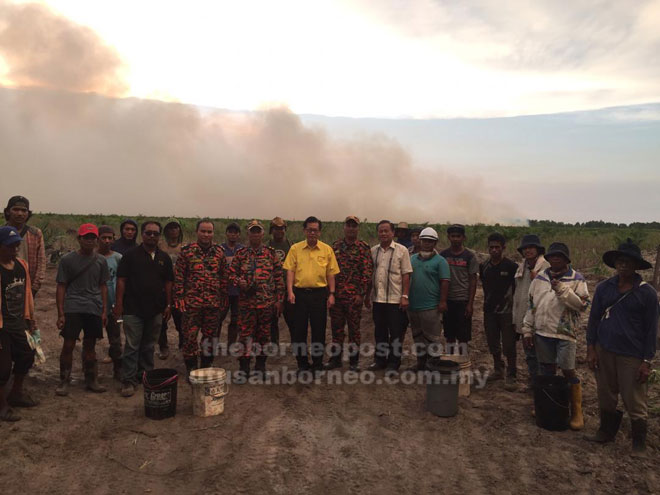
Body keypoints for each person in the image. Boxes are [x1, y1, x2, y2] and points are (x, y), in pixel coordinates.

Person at [585, 239, 658, 455]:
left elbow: (651, 330)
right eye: (620, 261)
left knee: (634, 398)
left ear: (637, 266)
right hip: (604, 349)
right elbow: (593, 320)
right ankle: (605, 432)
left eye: (628, 262)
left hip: (632, 355)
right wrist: (591, 349)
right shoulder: (604, 288)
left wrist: (647, 361)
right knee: (605, 393)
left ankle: (638, 444)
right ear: (615, 264)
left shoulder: (647, 294)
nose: (623, 265)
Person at [522, 242, 590, 430]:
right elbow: (531, 306)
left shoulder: (577, 279)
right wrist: (527, 329)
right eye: (552, 256)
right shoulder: (540, 279)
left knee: (568, 370)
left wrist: (562, 290)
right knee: (547, 370)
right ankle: (546, 403)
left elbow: (583, 306)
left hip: (565, 334)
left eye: (559, 256)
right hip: (543, 332)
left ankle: (576, 410)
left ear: (566, 259)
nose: (555, 259)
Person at [114, 221, 173, 397]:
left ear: (159, 236)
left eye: (155, 234)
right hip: (133, 308)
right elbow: (121, 280)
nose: (152, 236)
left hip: (155, 309)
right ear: (142, 235)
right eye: (149, 233)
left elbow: (169, 282)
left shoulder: (164, 257)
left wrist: (168, 304)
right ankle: (128, 380)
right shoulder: (130, 255)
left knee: (149, 345)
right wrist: (119, 304)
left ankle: (146, 375)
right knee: (132, 345)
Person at [55, 224, 109, 396]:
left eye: (93, 237)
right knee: (69, 344)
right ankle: (64, 380)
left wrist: (104, 310)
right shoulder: (67, 260)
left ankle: (91, 379)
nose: (90, 240)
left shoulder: (101, 260)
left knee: (90, 345)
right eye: (86, 237)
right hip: (73, 306)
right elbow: (61, 286)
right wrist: (61, 312)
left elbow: (103, 286)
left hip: (93, 307)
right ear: (79, 239)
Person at [283, 216, 339, 374]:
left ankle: (317, 363)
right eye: (309, 230)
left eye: (315, 230)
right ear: (304, 231)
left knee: (318, 330)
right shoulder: (295, 249)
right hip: (299, 295)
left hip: (319, 295)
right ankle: (302, 363)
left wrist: (332, 294)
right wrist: (290, 292)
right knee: (298, 330)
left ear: (320, 232)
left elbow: (331, 274)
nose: (312, 233)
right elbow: (290, 271)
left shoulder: (327, 250)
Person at [229, 220, 284, 381]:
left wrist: (279, 300)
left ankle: (260, 367)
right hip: (246, 304)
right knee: (245, 336)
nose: (255, 234)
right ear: (248, 233)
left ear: (262, 234)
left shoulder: (270, 253)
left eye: (258, 231)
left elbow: (279, 278)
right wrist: (239, 281)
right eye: (252, 231)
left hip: (266, 303)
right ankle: (244, 368)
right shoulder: (241, 254)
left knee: (264, 336)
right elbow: (231, 274)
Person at [174, 219, 228, 378]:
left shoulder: (219, 252)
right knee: (189, 337)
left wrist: (223, 298)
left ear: (213, 233)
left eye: (209, 231)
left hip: (213, 303)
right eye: (203, 231)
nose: (206, 234)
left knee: (210, 337)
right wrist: (179, 297)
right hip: (191, 304)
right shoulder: (187, 251)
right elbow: (179, 277)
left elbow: (223, 276)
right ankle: (192, 368)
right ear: (197, 232)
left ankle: (206, 365)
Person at [325, 216, 373, 372]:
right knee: (336, 330)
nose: (351, 228)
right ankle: (335, 359)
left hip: (354, 298)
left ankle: (354, 361)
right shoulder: (335, 246)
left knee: (354, 331)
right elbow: (329, 270)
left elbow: (366, 273)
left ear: (357, 229)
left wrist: (361, 294)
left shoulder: (363, 248)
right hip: (337, 297)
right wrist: (330, 293)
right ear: (344, 227)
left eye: (354, 226)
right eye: (349, 225)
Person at [365, 220, 412, 372]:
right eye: (381, 231)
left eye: (386, 231)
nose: (383, 234)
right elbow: (370, 275)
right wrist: (367, 296)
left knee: (396, 333)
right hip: (378, 299)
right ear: (377, 233)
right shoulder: (373, 251)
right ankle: (380, 361)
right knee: (380, 332)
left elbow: (406, 274)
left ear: (393, 233)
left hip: (395, 299)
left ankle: (393, 363)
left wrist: (405, 296)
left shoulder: (402, 250)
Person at [0, 226, 36, 421]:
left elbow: (27, 294)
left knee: (26, 355)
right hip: (1, 327)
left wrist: (31, 320)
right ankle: (1, 404)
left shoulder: (21, 265)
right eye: (9, 247)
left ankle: (16, 393)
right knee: (3, 367)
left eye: (16, 246)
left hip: (18, 323)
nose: (14, 250)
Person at [479, 233, 519, 390]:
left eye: (497, 247)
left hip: (507, 311)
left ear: (504, 248)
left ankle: (512, 373)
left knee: (509, 344)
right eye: (491, 247)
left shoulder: (511, 267)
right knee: (492, 341)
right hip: (489, 310)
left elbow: (516, 289)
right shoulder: (484, 266)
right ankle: (498, 369)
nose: (494, 250)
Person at [407, 227, 449, 372]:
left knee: (432, 338)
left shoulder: (441, 261)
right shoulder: (412, 259)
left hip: (431, 306)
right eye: (424, 240)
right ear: (420, 240)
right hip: (413, 306)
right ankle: (421, 363)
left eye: (430, 241)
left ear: (435, 243)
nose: (426, 243)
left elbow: (445, 281)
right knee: (417, 336)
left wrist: (443, 301)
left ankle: (433, 366)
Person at [512, 234, 549, 388]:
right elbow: (518, 294)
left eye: (531, 248)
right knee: (529, 354)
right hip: (523, 315)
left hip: (540, 317)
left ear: (538, 250)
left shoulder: (545, 267)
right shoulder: (523, 266)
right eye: (525, 249)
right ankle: (534, 382)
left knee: (541, 354)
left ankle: (542, 385)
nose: (528, 251)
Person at [440, 224, 478, 348]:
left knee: (463, 336)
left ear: (463, 238)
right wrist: (442, 300)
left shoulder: (470, 256)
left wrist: (470, 304)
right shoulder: (443, 255)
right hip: (448, 300)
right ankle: (450, 361)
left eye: (458, 236)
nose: (455, 239)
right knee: (449, 335)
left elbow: (473, 280)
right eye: (453, 236)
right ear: (448, 237)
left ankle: (463, 363)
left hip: (462, 300)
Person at [4, 196, 46, 297]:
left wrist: (35, 287)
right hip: (3, 283)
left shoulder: (35, 233)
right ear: (8, 212)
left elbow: (41, 261)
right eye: (16, 209)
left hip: (27, 285)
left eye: (24, 210)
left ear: (28, 213)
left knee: (26, 312)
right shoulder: (2, 233)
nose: (20, 213)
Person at [97, 225, 123, 380]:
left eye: (110, 238)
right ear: (97, 239)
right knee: (91, 338)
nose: (107, 241)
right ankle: (90, 373)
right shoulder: (92, 257)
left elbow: (122, 280)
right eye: (103, 238)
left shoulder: (118, 258)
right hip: (94, 303)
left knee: (115, 338)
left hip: (113, 303)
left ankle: (118, 370)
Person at [158, 219, 184, 358]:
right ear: (166, 230)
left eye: (176, 227)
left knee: (181, 320)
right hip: (162, 289)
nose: (173, 230)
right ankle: (163, 347)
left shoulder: (185, 247)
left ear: (179, 230)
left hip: (180, 289)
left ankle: (183, 344)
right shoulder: (160, 246)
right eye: (170, 228)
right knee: (162, 321)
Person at [268, 216, 294, 345]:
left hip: (289, 289)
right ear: (271, 230)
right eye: (276, 229)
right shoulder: (267, 246)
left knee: (292, 319)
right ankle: (274, 343)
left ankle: (296, 343)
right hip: (271, 290)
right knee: (272, 320)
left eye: (281, 228)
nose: (279, 231)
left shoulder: (292, 246)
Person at [219, 222, 243, 349]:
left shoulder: (242, 249)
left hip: (238, 291)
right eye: (230, 232)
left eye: (235, 232)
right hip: (223, 291)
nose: (233, 235)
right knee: (218, 319)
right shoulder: (220, 249)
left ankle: (231, 344)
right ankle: (213, 344)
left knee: (235, 319)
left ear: (239, 235)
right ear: (226, 233)